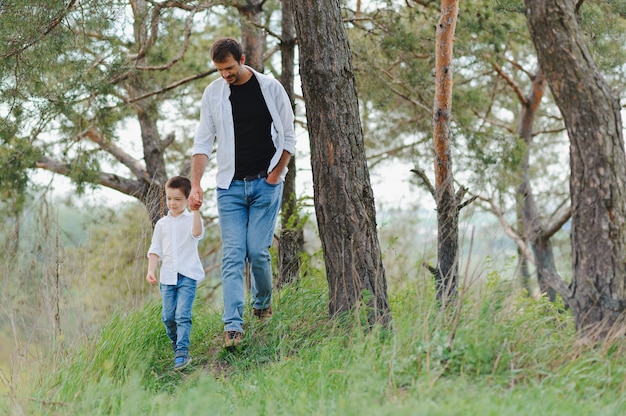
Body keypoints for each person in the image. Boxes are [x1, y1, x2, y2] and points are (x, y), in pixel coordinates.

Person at [189, 37, 296, 348]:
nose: (226, 75)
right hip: (230, 188)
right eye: (220, 70)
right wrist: (196, 183)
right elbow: (202, 143)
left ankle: (262, 305)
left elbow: (289, 136)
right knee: (233, 256)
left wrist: (275, 176)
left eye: (230, 68)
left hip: (266, 183)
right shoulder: (213, 94)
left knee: (258, 252)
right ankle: (233, 326)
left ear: (243, 59)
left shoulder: (270, 88)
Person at [147, 176, 205, 370]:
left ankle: (182, 352)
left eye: (178, 199)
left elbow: (197, 233)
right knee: (168, 317)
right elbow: (155, 249)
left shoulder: (191, 219)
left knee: (182, 314)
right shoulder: (162, 224)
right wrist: (151, 270)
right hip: (167, 277)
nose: (172, 203)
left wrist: (195, 211)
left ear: (187, 199)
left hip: (187, 275)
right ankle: (177, 345)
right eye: (169, 198)